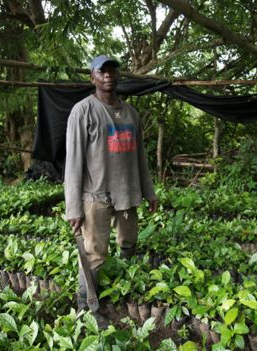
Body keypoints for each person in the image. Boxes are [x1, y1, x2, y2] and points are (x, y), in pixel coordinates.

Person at [64, 55, 158, 324]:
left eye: (112, 71)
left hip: (127, 193)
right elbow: (73, 164)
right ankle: (87, 305)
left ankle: (124, 289)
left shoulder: (131, 113)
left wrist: (148, 192)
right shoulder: (83, 111)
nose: (108, 76)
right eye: (101, 71)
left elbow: (140, 157)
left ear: (119, 76)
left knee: (128, 242)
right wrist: (73, 208)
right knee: (95, 254)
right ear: (92, 77)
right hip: (96, 196)